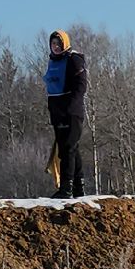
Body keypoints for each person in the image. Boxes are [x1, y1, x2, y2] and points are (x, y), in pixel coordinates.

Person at [45, 30, 89, 198]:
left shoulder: (73, 59)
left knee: (67, 149)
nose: (55, 47)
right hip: (57, 112)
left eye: (58, 44)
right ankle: (78, 187)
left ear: (64, 43)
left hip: (71, 112)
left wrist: (71, 106)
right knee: (71, 148)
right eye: (53, 44)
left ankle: (66, 188)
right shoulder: (52, 61)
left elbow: (81, 85)